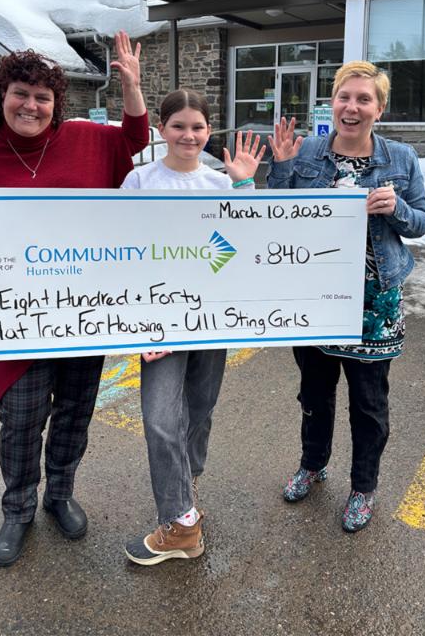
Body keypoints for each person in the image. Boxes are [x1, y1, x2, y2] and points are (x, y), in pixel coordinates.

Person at [0, 36, 148, 567]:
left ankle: (59, 495)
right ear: (0, 95)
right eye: (20, 93)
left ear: (57, 105)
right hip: (15, 317)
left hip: (81, 311)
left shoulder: (85, 140)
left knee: (76, 411)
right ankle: (17, 509)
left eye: (42, 97)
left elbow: (135, 139)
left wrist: (131, 86)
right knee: (22, 417)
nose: (30, 105)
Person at [268, 61, 425, 532]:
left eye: (363, 99)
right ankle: (313, 465)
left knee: (368, 402)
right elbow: (278, 215)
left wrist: (396, 207)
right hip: (314, 302)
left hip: (374, 306)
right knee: (314, 394)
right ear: (332, 103)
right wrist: (280, 168)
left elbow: (422, 220)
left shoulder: (400, 159)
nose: (352, 107)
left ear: (379, 108)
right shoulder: (308, 152)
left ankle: (363, 487)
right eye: (344, 97)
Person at [118, 91, 264, 565]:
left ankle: (186, 482)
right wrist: (141, 324)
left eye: (198, 127)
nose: (189, 135)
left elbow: (249, 242)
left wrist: (243, 186)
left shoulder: (221, 183)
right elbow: (122, 252)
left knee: (199, 411)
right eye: (179, 126)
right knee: (161, 419)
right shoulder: (139, 181)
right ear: (162, 129)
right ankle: (181, 521)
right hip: (159, 325)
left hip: (213, 321)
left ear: (208, 131)